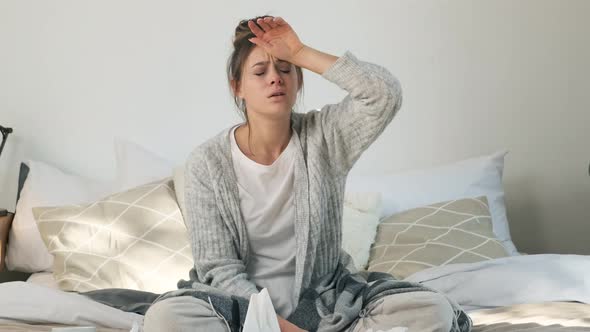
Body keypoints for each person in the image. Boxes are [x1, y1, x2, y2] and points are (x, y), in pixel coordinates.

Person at [143, 15, 468, 332]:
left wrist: (300, 53)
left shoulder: (325, 137)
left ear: (299, 81)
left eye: (285, 69)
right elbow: (219, 269)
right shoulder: (207, 162)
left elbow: (385, 94)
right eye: (260, 71)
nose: (275, 78)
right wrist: (277, 327)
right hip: (239, 311)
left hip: (326, 304)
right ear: (237, 87)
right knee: (166, 318)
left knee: (432, 311)